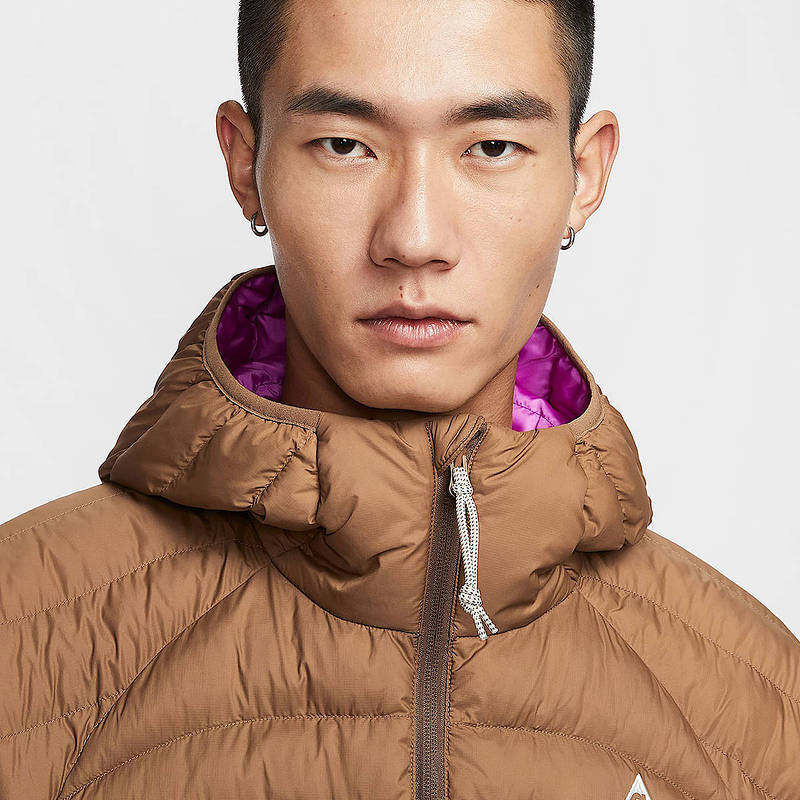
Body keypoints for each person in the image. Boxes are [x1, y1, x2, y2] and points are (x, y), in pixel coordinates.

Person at [1, 0, 798, 797]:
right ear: (247, 166)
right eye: (344, 145)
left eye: (492, 147)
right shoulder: (22, 629)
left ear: (584, 175)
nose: (415, 239)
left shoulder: (764, 702)